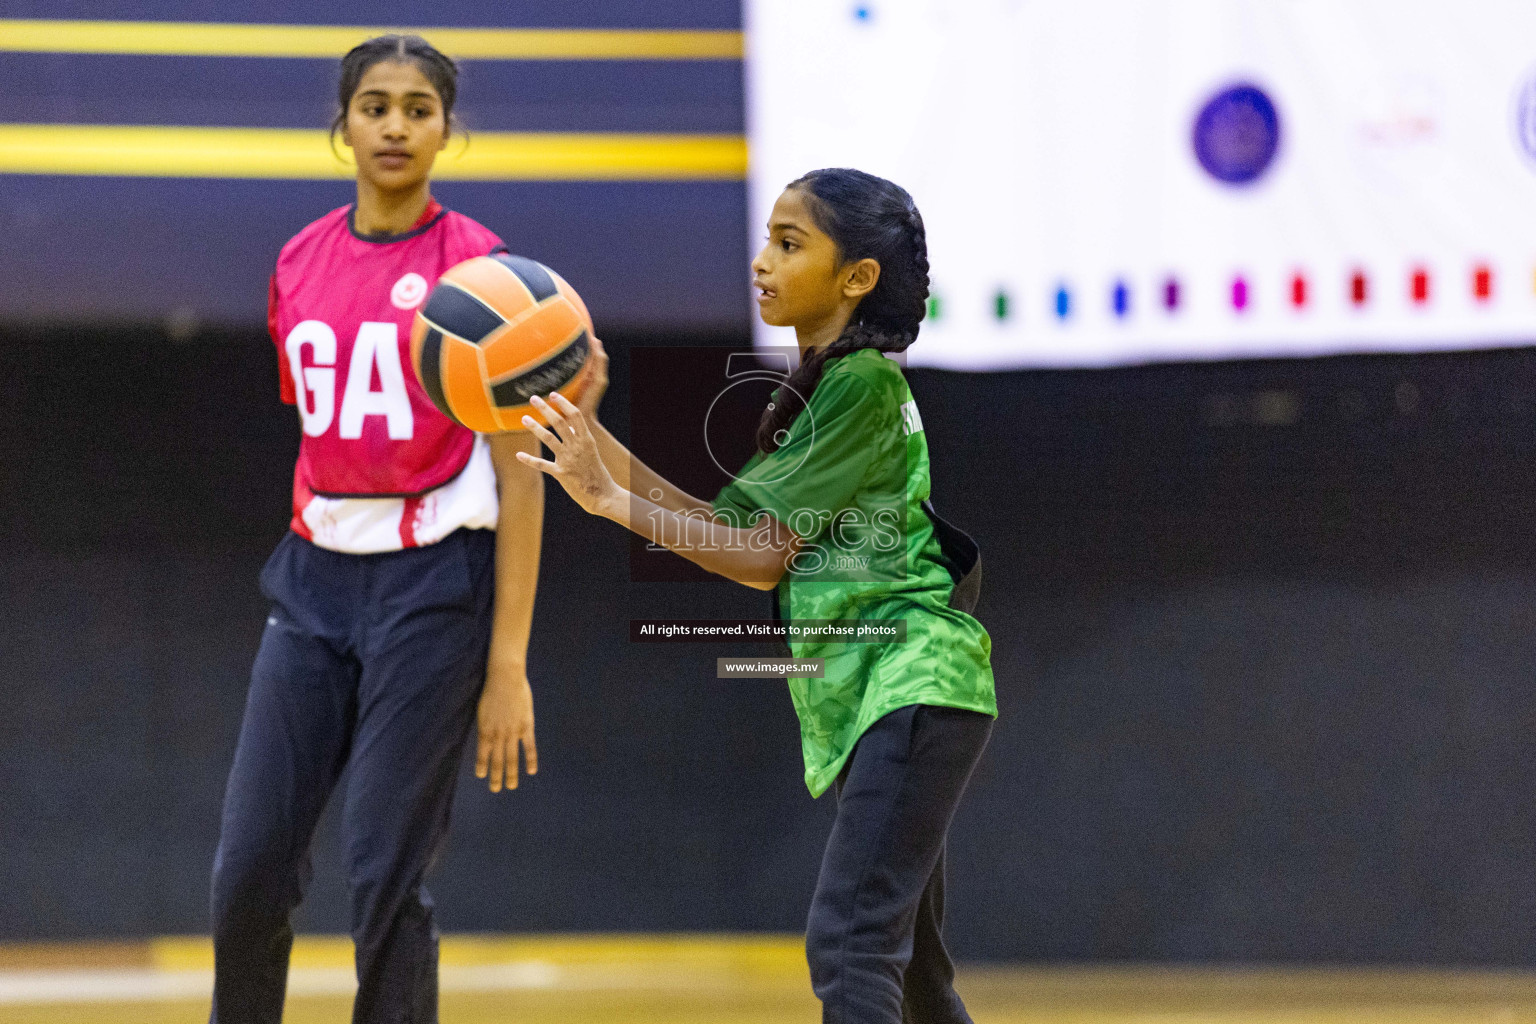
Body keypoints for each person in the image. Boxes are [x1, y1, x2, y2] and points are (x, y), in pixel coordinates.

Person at [516, 167, 997, 1023]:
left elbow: (759, 558)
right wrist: (594, 442)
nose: (762, 262)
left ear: (857, 278)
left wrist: (608, 500)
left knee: (850, 944)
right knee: (911, 970)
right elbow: (716, 524)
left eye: (789, 243)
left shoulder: (860, 386)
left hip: (909, 683)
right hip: (896, 694)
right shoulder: (833, 386)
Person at [208, 34, 598, 1023]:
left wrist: (506, 662)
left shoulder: (484, 272)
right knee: (248, 867)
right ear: (342, 124)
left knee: (385, 873)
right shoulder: (298, 260)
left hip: (435, 590)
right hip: (313, 582)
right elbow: (318, 431)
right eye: (374, 105)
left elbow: (524, 478)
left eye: (418, 107)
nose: (394, 124)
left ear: (447, 129)